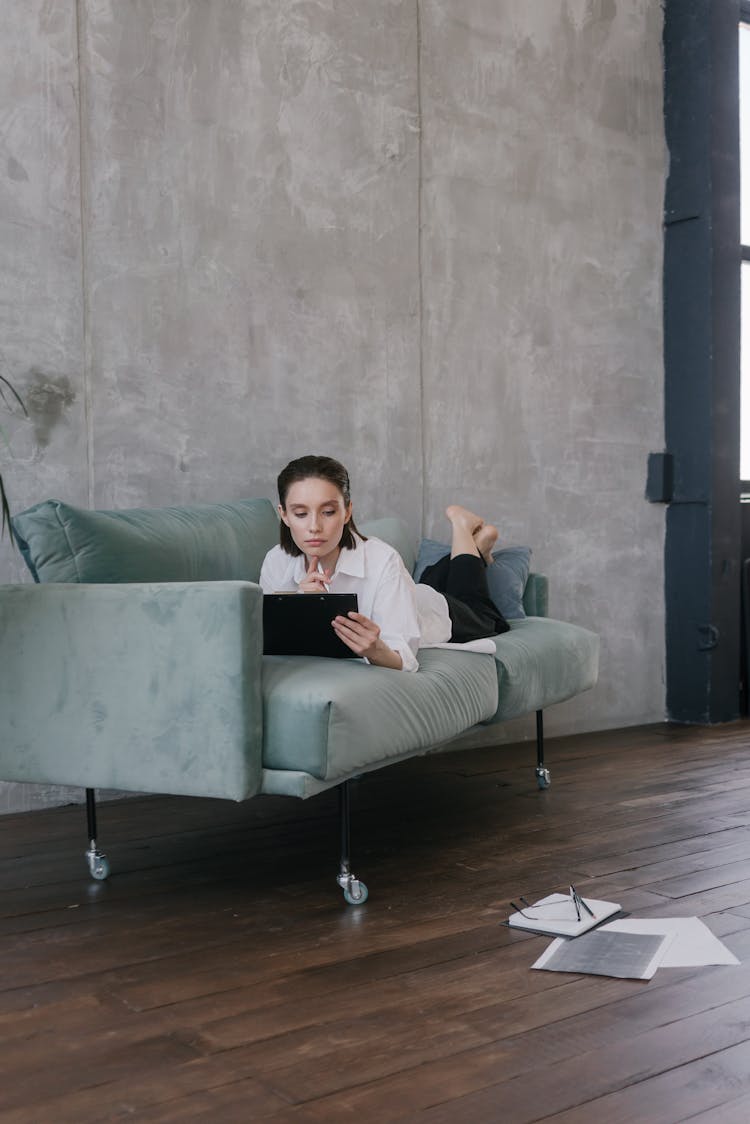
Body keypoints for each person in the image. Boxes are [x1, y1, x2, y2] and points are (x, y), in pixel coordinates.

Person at [259, 455, 509, 673]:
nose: (314, 527)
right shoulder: (276, 561)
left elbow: (405, 661)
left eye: (328, 512)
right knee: (430, 579)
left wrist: (375, 649)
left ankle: (464, 528)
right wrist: (303, 604)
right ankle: (477, 547)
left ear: (347, 512)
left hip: (437, 611)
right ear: (284, 515)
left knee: (483, 611)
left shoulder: (382, 558)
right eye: (301, 514)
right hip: (409, 590)